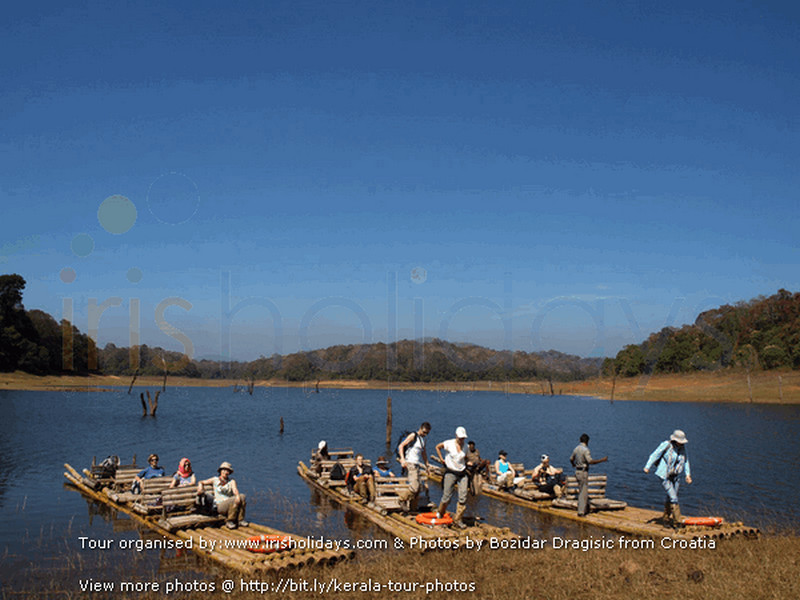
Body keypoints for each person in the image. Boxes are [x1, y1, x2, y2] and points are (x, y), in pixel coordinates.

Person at [644, 429, 692, 527]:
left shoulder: (683, 449)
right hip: (664, 475)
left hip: (676, 476)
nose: (681, 443)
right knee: (674, 498)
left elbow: (686, 461)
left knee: (670, 497)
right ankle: (677, 522)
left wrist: (688, 475)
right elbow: (654, 455)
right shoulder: (666, 445)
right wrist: (647, 467)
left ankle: (666, 519)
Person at [435, 426, 470, 529]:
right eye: (460, 438)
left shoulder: (466, 447)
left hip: (462, 473)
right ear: (456, 436)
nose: (462, 440)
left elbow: (466, 457)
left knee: (463, 497)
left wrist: (469, 463)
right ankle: (440, 513)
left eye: (463, 438)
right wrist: (442, 459)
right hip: (450, 472)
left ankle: (458, 519)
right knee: (447, 496)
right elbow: (437, 447)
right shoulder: (449, 443)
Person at [197, 461, 248, 529]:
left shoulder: (232, 481)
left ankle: (240, 519)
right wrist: (200, 486)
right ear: (220, 471)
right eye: (223, 470)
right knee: (233, 499)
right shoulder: (215, 479)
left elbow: (235, 489)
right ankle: (230, 521)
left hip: (231, 503)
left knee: (242, 496)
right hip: (220, 505)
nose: (225, 472)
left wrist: (237, 495)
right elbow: (201, 482)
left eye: (227, 470)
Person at [570, 434, 608, 517]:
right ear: (587, 441)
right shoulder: (586, 450)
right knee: (583, 492)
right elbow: (590, 461)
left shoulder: (576, 448)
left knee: (581, 490)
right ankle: (581, 512)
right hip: (583, 472)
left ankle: (584, 508)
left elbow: (571, 459)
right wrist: (602, 460)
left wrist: (573, 464)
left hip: (577, 471)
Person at [397, 422, 431, 511]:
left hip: (417, 464)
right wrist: (402, 459)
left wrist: (427, 465)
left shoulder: (423, 440)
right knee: (414, 487)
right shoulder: (413, 435)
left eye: (427, 433)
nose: (425, 434)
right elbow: (401, 445)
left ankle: (413, 508)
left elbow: (423, 453)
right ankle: (401, 499)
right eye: (424, 432)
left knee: (419, 488)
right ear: (420, 428)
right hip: (410, 463)